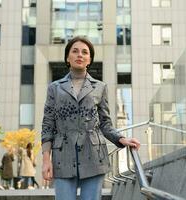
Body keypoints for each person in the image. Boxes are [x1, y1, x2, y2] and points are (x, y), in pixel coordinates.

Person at [41, 36, 140, 200]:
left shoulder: (100, 87)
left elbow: (105, 124)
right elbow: (47, 125)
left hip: (94, 156)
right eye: (75, 51)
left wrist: (121, 139)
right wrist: (46, 160)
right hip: (62, 157)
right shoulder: (54, 88)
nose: (80, 55)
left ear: (89, 59)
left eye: (84, 52)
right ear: (67, 58)